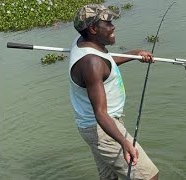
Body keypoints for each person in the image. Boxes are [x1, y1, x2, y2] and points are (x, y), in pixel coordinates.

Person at [68, 3, 159, 180]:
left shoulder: (83, 43)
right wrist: (124, 143)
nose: (113, 26)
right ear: (93, 29)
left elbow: (105, 63)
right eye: (108, 23)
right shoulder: (91, 63)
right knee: (149, 176)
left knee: (110, 178)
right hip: (102, 127)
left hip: (94, 126)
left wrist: (134, 54)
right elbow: (100, 113)